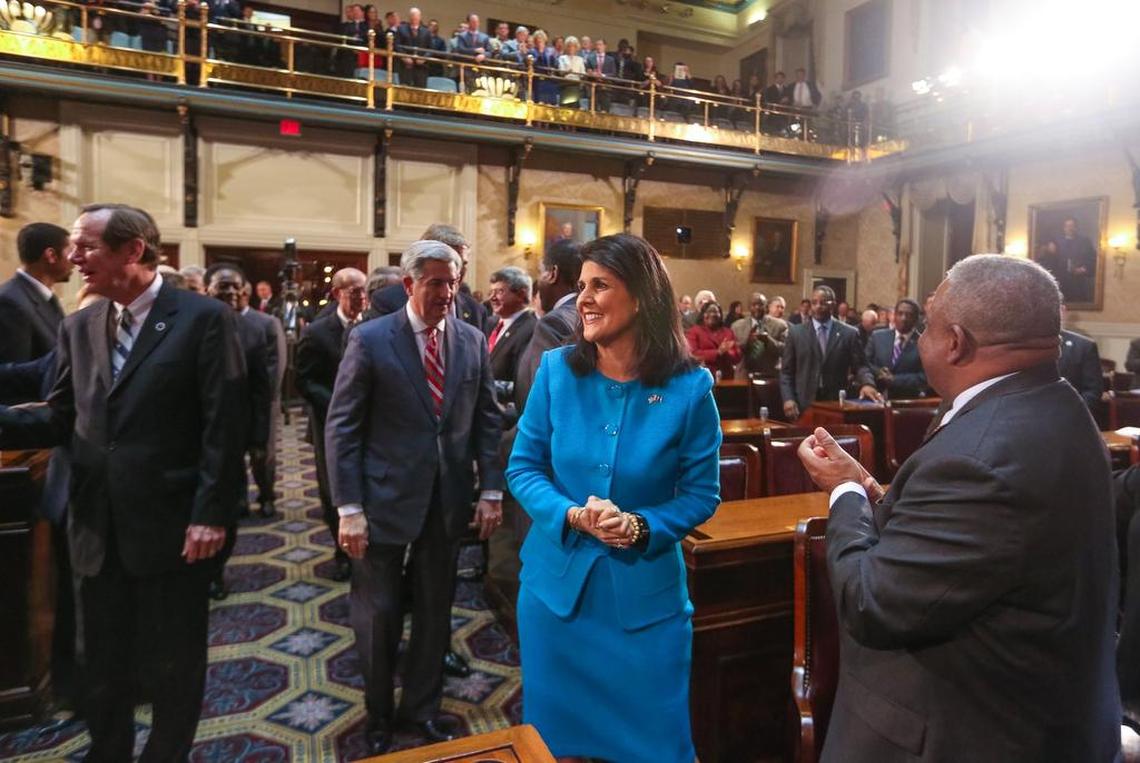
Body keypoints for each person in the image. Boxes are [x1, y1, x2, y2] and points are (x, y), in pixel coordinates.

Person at [797, 254, 1121, 761]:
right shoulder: (1056, 406)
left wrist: (843, 492)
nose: (920, 338)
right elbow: (972, 545)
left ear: (955, 342)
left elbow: (872, 602)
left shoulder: (983, 453)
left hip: (960, 732)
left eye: (927, 327)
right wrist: (873, 489)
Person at [0, 203, 246, 761]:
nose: (73, 258)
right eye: (72, 246)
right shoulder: (79, 325)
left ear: (133, 249)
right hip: (94, 526)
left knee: (173, 664)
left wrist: (211, 513)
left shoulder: (203, 319)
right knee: (101, 664)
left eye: (86, 246)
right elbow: (61, 417)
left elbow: (223, 430)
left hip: (173, 526)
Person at [507, 233, 721, 762]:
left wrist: (642, 526)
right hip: (556, 604)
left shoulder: (691, 389)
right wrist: (573, 514)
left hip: (645, 608)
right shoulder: (556, 372)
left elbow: (701, 495)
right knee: (556, 750)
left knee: (658, 750)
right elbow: (523, 467)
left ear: (644, 295)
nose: (583, 299)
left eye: (600, 285)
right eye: (581, 285)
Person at [328, 240, 503, 754]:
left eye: (453, 282)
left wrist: (490, 489)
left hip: (446, 501)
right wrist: (349, 507)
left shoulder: (472, 341)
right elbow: (343, 428)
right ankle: (378, 713)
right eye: (435, 283)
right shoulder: (371, 339)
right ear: (409, 284)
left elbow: (487, 422)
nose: (447, 293)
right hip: (380, 501)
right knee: (378, 614)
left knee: (434, 611)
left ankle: (422, 709)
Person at [295, 267, 367, 583]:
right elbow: (305, 381)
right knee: (334, 490)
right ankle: (342, 553)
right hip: (329, 425)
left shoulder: (378, 327)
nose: (362, 298)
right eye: (354, 292)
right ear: (337, 293)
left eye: (365, 291)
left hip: (371, 424)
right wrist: (340, 405)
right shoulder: (317, 332)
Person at [204, 265, 270, 600]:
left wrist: (259, 437)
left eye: (235, 288)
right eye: (222, 287)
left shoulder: (253, 330)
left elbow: (261, 389)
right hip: (195, 434)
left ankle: (216, 571)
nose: (229, 293)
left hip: (236, 429)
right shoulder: (189, 326)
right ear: (207, 290)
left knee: (227, 508)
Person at [780, 285, 879, 420]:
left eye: (823, 303)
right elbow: (786, 372)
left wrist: (867, 384)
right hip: (803, 402)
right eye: (814, 303)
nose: (818, 307)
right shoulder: (796, 333)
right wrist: (788, 398)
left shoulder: (848, 333)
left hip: (836, 403)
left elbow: (861, 365)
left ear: (833, 305)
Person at [370, 223, 486, 331]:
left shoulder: (476, 310)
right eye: (451, 263)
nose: (457, 271)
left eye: (463, 264)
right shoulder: (387, 301)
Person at [515, 240, 583, 415]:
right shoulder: (588, 315)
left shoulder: (553, 322)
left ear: (553, 273)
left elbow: (544, 396)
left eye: (540, 272)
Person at [240, 281, 287, 518]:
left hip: (262, 401)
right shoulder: (217, 319)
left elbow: (275, 364)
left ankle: (267, 496)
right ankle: (239, 499)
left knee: (263, 455)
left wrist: (267, 399)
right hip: (229, 403)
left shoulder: (266, 322)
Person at [0, 222, 72, 364]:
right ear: (51, 255)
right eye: (70, 252)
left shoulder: (46, 297)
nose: (75, 260)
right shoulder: (10, 303)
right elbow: (13, 375)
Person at [486, 267, 536, 390]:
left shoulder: (532, 329)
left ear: (521, 294)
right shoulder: (490, 323)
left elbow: (524, 381)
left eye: (499, 292)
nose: (492, 298)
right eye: (491, 292)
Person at [864, 298, 927, 398]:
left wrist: (895, 380)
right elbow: (864, 364)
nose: (903, 318)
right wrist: (878, 373)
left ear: (916, 319)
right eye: (900, 314)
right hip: (875, 398)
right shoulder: (877, 337)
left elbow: (924, 378)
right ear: (894, 316)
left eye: (909, 315)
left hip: (906, 403)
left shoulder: (924, 343)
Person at [732, 292, 787, 378]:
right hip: (744, 374)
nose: (757, 307)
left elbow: (786, 350)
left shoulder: (780, 325)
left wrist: (769, 341)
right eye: (754, 305)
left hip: (770, 375)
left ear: (766, 306)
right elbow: (733, 351)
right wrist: (747, 342)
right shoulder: (737, 326)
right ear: (749, 307)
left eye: (760, 304)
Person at [686, 300, 741, 380]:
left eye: (716, 312)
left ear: (720, 315)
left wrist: (728, 352)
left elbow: (737, 357)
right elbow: (693, 354)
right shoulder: (694, 331)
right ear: (702, 315)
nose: (712, 314)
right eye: (708, 312)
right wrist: (718, 352)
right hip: (703, 377)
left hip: (726, 377)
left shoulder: (728, 332)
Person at [1050, 217, 1097, 304]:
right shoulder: (1057, 241)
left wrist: (1083, 269)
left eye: (1072, 226)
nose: (1070, 228)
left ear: (1076, 227)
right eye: (1067, 226)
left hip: (1079, 281)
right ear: (1064, 228)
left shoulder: (1085, 241)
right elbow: (1051, 260)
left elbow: (1092, 258)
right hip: (1062, 281)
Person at [1058, 326, 1104, 413]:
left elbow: (1093, 391)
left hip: (1072, 415)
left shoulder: (1084, 346)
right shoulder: (1026, 346)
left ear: (1063, 312)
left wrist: (1076, 412)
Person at [395, 6, 431, 89]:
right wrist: (404, 57)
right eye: (412, 16)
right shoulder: (401, 29)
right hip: (405, 66)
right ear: (409, 17)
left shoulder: (426, 31)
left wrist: (424, 58)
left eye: (416, 16)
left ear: (420, 17)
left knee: (420, 90)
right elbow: (397, 45)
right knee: (404, 89)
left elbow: (430, 48)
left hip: (421, 67)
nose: (414, 18)